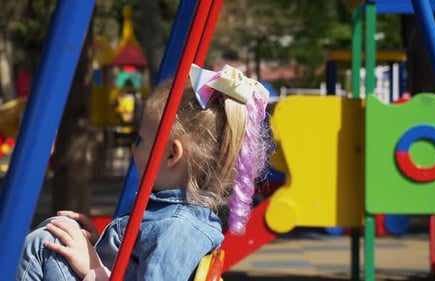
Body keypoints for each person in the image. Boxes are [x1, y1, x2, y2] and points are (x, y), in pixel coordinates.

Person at [16, 64, 270, 281]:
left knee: (44, 245)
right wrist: (104, 246)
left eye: (141, 142)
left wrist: (93, 269)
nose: (134, 152)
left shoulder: (177, 230)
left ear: (172, 154)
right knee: (60, 229)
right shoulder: (172, 217)